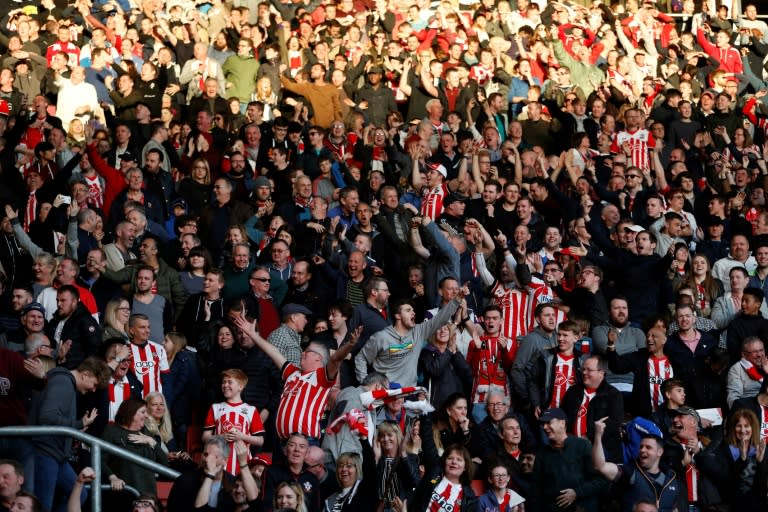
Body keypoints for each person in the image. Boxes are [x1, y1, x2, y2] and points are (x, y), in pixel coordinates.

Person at [233, 315, 359, 441]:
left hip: (306, 440)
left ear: (318, 357)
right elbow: (273, 352)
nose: (302, 353)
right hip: (283, 442)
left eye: (307, 351)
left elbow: (336, 359)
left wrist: (350, 344)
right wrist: (253, 335)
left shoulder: (321, 377)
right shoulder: (292, 373)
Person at [29, 356, 111, 512]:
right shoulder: (63, 382)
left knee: (80, 495)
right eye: (94, 384)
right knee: (43, 505)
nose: (93, 389)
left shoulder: (66, 383)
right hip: (45, 451)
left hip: (56, 454)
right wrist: (79, 424)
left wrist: (75, 430)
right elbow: (48, 417)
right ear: (85, 374)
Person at [592, 417, 683, 512]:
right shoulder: (630, 472)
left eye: (648, 447)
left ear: (659, 452)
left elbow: (674, 509)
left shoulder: (671, 479)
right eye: (641, 447)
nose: (642, 450)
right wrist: (598, 436)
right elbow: (600, 466)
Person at [529, 408, 608, 512]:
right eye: (543, 424)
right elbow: (536, 489)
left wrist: (577, 493)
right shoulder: (542, 453)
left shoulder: (583, 446)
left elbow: (600, 481)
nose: (544, 427)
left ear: (562, 423)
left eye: (548, 422)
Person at [101, 397, 169, 496]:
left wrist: (152, 442)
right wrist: (112, 477)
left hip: (147, 496)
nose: (146, 416)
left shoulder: (146, 433)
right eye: (143, 412)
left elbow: (165, 465)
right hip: (123, 494)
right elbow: (100, 460)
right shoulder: (111, 431)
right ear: (131, 413)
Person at [203, 368, 265, 474]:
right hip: (219, 463)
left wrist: (242, 436)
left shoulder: (251, 410)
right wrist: (221, 436)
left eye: (229, 382)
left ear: (241, 386)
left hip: (242, 463)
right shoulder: (215, 408)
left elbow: (260, 440)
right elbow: (205, 437)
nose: (225, 385)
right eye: (223, 382)